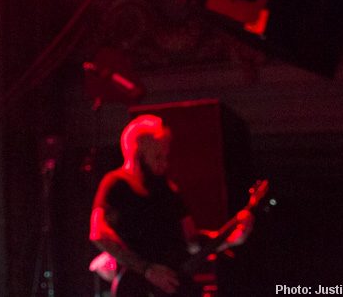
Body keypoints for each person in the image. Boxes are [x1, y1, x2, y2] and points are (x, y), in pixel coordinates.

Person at [89, 115, 252, 296]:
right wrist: (146, 269)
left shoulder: (168, 189)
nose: (165, 164)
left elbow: (191, 241)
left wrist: (230, 240)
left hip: (176, 286)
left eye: (165, 157)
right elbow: (98, 233)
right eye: (158, 157)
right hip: (138, 289)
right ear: (137, 155)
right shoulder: (115, 183)